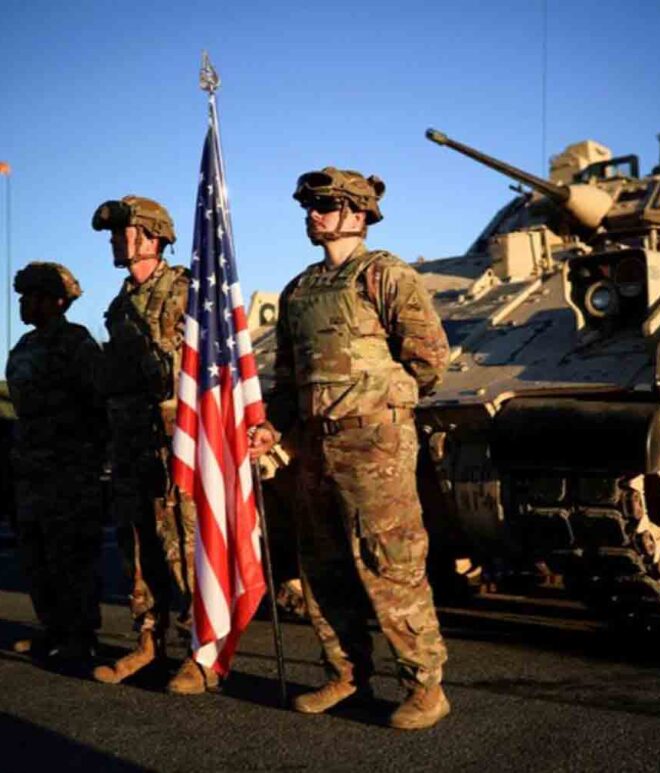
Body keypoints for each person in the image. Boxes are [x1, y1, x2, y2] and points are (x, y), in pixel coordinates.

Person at [250, 167, 451, 730]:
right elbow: (288, 379)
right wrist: (274, 426)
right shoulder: (299, 290)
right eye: (309, 206)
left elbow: (430, 359)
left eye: (326, 204)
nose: (313, 214)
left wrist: (380, 402)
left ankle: (425, 686)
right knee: (323, 566)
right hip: (314, 447)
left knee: (391, 564)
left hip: (374, 444)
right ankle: (345, 672)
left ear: (358, 214)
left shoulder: (385, 275)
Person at [90, 195, 217, 694]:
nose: (117, 241)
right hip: (129, 444)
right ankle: (148, 639)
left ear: (154, 236)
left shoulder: (187, 290)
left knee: (182, 546)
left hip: (175, 447)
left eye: (127, 231)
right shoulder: (120, 305)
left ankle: (198, 651)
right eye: (114, 234)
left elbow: (214, 364)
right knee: (136, 545)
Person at [5, 262, 105, 667]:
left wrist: (91, 458)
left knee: (72, 555)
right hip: (30, 468)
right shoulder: (24, 348)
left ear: (56, 301)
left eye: (32, 297)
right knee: (36, 553)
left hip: (70, 468)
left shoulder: (76, 343)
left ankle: (81, 635)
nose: (24, 305)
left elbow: (97, 403)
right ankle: (53, 628)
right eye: (22, 298)